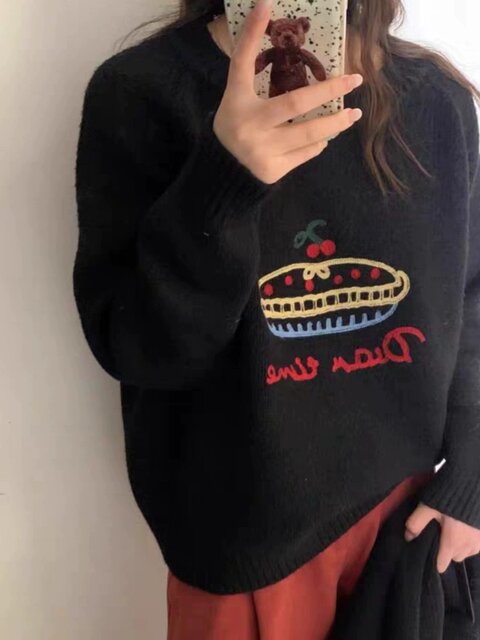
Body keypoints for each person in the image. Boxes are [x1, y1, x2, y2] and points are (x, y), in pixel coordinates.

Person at [72, 0, 480, 637]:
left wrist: (472, 481)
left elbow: (472, 298)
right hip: (240, 545)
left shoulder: (436, 101)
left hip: (406, 523)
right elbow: (139, 350)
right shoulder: (142, 95)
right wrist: (224, 181)